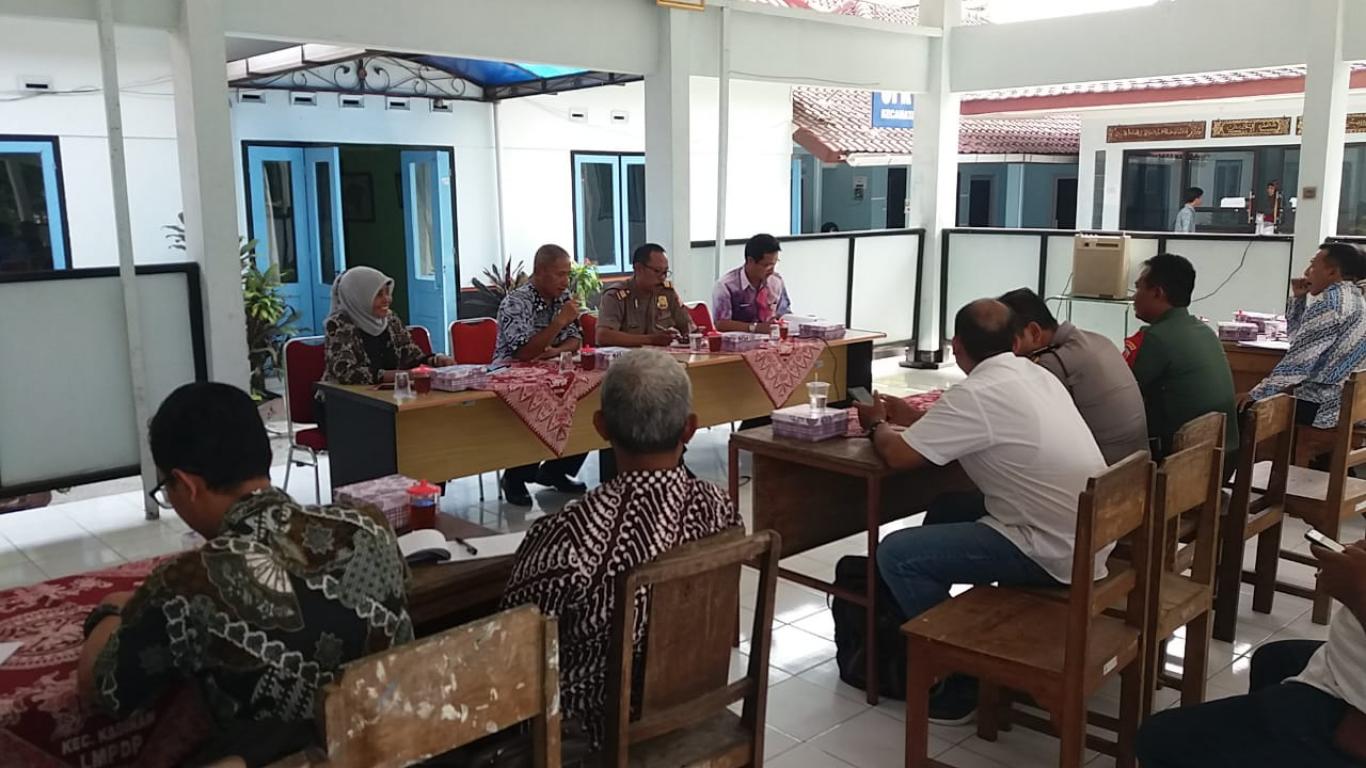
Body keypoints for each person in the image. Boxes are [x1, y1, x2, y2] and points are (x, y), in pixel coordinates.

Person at [77, 383, 412, 767]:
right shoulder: (368, 527)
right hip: (400, 750)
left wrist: (112, 610)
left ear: (186, 485)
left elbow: (100, 689)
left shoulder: (188, 582)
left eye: (166, 488)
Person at [855, 299, 1108, 722]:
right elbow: (972, 426)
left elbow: (897, 455)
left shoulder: (976, 393)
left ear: (956, 346)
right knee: (949, 507)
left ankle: (963, 677)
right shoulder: (1035, 374)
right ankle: (939, 630)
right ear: (1016, 341)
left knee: (897, 554)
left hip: (1049, 548)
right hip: (1088, 531)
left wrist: (878, 424)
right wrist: (913, 417)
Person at [501, 349, 742, 749]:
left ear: (600, 427)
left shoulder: (567, 536)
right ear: (690, 429)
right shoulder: (720, 510)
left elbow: (511, 653)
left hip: (591, 738)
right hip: (693, 709)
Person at [1134, 537, 1366, 767]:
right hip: (1345, 662)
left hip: (1353, 706)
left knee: (1159, 739)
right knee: (1273, 660)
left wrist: (1359, 590)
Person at [998, 288, 1149, 464]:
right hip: (1137, 465)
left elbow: (1026, 427)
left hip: (1104, 471)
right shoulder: (1099, 340)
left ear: (1034, 332)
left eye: (1010, 343)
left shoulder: (1054, 364)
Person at [495, 244, 589, 505]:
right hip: (512, 377)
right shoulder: (516, 302)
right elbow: (524, 352)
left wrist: (553, 352)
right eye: (560, 274)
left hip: (551, 371)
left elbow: (576, 340)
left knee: (587, 402)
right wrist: (558, 322)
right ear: (539, 271)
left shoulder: (562, 297)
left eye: (568, 274)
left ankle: (555, 471)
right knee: (533, 405)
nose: (565, 281)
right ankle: (515, 478)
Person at [1129, 253, 1239, 461]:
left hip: (1184, 464)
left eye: (1138, 288)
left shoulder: (1156, 338)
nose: (1133, 297)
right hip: (1224, 456)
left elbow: (1122, 392)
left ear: (1157, 293)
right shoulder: (1204, 331)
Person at [1243, 242, 1366, 428]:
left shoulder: (1329, 304)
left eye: (1313, 266)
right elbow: (1300, 341)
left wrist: (1254, 394)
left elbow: (1297, 366)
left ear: (1332, 272)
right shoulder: (1356, 299)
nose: (1307, 272)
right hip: (1351, 405)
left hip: (1324, 407)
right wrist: (1299, 300)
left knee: (1244, 410)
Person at [323, 265, 453, 386]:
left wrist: (435, 360)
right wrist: (400, 376)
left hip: (387, 395)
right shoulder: (338, 324)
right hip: (344, 398)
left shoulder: (390, 319)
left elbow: (411, 356)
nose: (387, 299)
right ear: (359, 297)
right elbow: (346, 373)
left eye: (387, 293)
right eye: (379, 295)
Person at [596, 243, 692, 347]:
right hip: (629, 356)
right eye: (657, 271)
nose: (662, 277)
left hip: (664, 355)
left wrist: (684, 336)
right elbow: (603, 336)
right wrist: (651, 340)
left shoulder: (667, 293)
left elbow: (688, 327)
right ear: (638, 268)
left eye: (665, 272)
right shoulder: (617, 295)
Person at [711, 233, 792, 334]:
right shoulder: (726, 285)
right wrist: (755, 328)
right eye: (767, 265)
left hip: (772, 339)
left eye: (774, 264)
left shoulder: (776, 281)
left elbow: (785, 314)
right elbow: (720, 324)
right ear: (750, 261)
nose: (771, 270)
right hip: (739, 341)